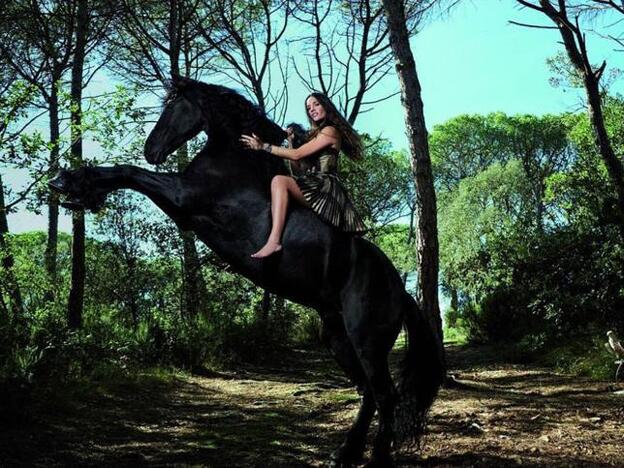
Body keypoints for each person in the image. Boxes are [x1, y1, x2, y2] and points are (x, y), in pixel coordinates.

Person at [240, 92, 367, 258]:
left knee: (279, 181)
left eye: (316, 104)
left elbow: (297, 155)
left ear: (325, 106)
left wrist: (263, 146)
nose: (312, 110)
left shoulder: (330, 130)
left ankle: (274, 241)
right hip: (313, 183)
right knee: (283, 182)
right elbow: (297, 171)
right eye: (308, 108)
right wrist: (291, 141)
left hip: (325, 187)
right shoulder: (315, 136)